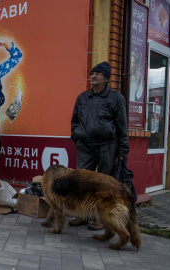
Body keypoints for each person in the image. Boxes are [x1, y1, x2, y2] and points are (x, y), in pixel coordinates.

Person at [70, 61, 130, 231]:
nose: (93, 76)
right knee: (81, 182)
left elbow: (122, 126)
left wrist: (123, 150)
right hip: (85, 146)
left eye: (97, 74)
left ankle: (100, 218)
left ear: (106, 78)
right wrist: (77, 135)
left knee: (104, 184)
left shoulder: (116, 98)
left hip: (107, 146)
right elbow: (74, 120)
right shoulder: (82, 97)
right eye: (92, 74)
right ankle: (82, 214)